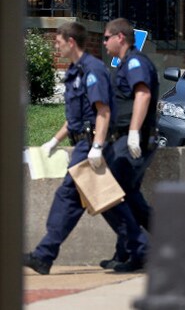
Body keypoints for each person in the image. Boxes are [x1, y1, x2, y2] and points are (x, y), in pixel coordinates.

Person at [23, 22, 148, 275]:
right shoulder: (76, 71)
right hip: (83, 142)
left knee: (73, 199)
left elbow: (103, 111)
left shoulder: (93, 70)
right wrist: (54, 141)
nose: (56, 46)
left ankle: (44, 255)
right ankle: (142, 250)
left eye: (58, 41)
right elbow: (76, 117)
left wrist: (97, 147)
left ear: (71, 42)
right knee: (103, 203)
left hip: (91, 145)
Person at [101, 18, 159, 270]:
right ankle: (128, 252)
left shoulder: (135, 62)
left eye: (106, 38)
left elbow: (143, 94)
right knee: (128, 196)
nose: (104, 43)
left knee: (113, 195)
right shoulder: (123, 65)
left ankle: (139, 251)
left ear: (120, 38)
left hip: (134, 139)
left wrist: (134, 132)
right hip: (122, 138)